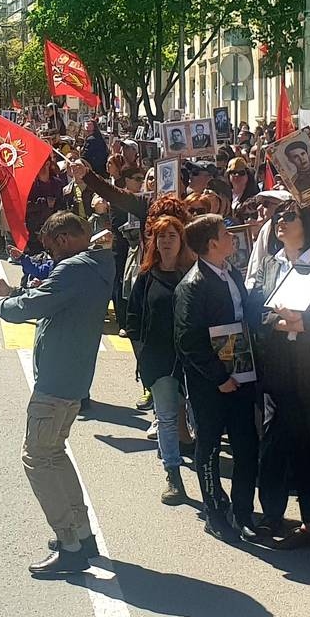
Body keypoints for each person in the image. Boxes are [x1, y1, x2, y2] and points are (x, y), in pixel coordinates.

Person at [0, 212, 115, 577]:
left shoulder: (72, 269)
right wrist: (13, 292)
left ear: (67, 239)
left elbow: (30, 308)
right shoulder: (97, 265)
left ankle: (69, 542)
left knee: (37, 458)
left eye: (53, 247)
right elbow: (49, 298)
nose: (50, 256)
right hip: (73, 377)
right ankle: (82, 534)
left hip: (56, 381)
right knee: (54, 454)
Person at [253, 201, 310, 547]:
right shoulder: (269, 265)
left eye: (288, 217)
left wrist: (305, 323)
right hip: (280, 370)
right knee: (295, 447)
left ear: (306, 224)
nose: (280, 221)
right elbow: (256, 311)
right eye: (278, 217)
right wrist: (278, 320)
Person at [176, 214, 264, 544]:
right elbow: (188, 340)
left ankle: (242, 512)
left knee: (246, 444)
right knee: (210, 445)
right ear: (212, 243)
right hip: (213, 385)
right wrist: (218, 377)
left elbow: (244, 315)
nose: (232, 238)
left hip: (242, 374)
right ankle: (214, 512)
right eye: (226, 234)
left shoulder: (231, 273)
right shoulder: (193, 285)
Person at [126, 214, 193, 505]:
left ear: (181, 241)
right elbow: (133, 319)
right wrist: (143, 354)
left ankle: (208, 477)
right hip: (160, 361)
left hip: (193, 361)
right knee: (166, 418)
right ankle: (173, 475)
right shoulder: (146, 276)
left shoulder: (193, 274)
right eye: (161, 236)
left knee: (196, 417)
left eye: (172, 236)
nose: (166, 242)